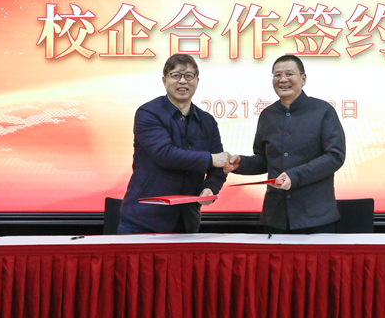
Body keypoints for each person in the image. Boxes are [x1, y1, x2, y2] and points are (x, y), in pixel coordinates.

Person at [225, 55, 346, 233]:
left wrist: (295, 176)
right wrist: (240, 163)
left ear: (303, 78)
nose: (282, 80)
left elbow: (335, 156)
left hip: (315, 216)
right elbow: (264, 160)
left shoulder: (323, 111)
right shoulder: (267, 115)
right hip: (276, 217)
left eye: (289, 74)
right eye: (277, 75)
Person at [118, 54, 230, 234]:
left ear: (197, 81)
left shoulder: (207, 121)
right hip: (143, 220)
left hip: (186, 222)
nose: (182, 81)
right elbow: (165, 155)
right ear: (164, 80)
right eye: (176, 75)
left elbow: (218, 167)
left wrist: (210, 188)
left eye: (189, 76)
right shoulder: (148, 113)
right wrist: (210, 159)